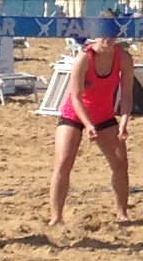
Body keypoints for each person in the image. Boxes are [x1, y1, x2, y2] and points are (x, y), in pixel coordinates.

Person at [48, 25, 135, 227]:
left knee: (120, 163)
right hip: (75, 114)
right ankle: (56, 216)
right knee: (63, 161)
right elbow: (76, 97)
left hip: (104, 115)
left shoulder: (124, 58)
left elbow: (127, 95)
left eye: (112, 35)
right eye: (104, 35)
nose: (107, 39)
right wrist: (87, 124)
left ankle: (122, 213)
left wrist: (124, 121)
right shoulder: (85, 58)